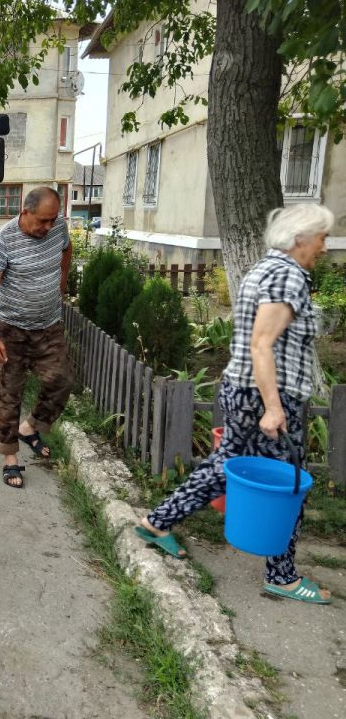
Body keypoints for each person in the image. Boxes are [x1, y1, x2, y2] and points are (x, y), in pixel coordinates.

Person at [137, 203, 333, 605]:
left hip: (243, 389)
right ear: (300, 239)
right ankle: (282, 576)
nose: (325, 247)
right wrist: (274, 407)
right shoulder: (288, 276)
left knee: (224, 467)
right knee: (291, 482)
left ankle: (157, 522)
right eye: (322, 237)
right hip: (266, 396)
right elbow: (262, 344)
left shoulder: (265, 268)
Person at [0, 186, 73, 489]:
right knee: (9, 393)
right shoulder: (2, 241)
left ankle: (30, 427)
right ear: (26, 212)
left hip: (48, 325)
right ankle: (10, 458)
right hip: (11, 330)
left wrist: (61, 281)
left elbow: (66, 248)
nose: (49, 227)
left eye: (53, 220)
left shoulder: (57, 227)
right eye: (43, 221)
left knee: (60, 380)